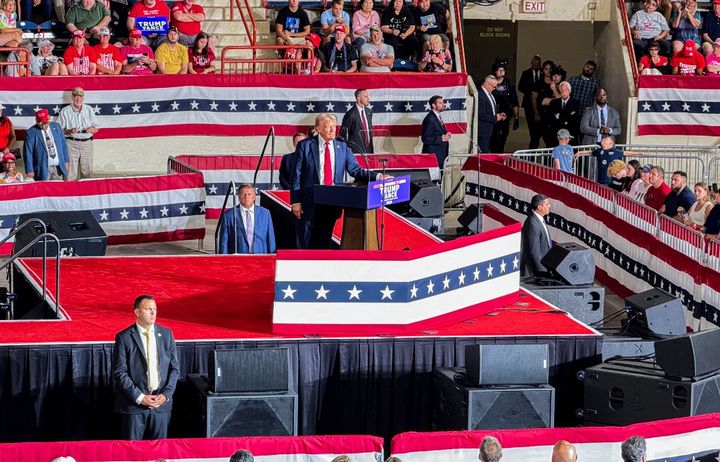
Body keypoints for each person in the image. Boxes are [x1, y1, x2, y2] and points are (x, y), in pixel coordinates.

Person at [291, 113, 382, 249]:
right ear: (318, 129)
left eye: (334, 126)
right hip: (309, 200)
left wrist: (378, 177)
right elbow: (296, 174)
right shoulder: (305, 145)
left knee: (324, 239)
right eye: (329, 127)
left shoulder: (342, 147)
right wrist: (296, 201)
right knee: (306, 239)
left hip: (331, 201)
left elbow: (355, 170)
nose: (333, 130)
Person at [112, 294, 179, 440]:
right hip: (134, 407)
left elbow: (174, 369)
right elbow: (120, 373)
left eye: (155, 309)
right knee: (132, 453)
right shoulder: (124, 337)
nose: (153, 313)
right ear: (137, 312)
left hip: (161, 406)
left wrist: (166, 395)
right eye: (149, 309)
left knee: (159, 452)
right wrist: (140, 397)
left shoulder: (167, 334)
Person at [218, 185, 276, 254]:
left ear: (254, 197)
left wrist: (272, 258)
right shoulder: (228, 215)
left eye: (249, 194)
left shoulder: (265, 213)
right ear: (239, 197)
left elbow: (271, 239)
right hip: (238, 260)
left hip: (260, 258)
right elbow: (224, 243)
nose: (246, 197)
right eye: (243, 194)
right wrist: (224, 261)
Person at [58, 87, 99, 181]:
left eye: (80, 96)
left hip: (87, 143)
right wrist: (69, 131)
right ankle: (70, 193)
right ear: (72, 97)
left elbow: (97, 128)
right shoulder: (65, 111)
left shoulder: (89, 109)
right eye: (76, 96)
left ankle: (87, 193)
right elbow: (59, 131)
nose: (78, 99)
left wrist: (90, 129)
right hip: (71, 143)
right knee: (70, 173)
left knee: (87, 171)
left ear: (83, 97)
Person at [23, 109, 70, 181]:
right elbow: (28, 152)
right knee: (43, 190)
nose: (43, 126)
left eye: (45, 123)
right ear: (36, 121)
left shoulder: (57, 127)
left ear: (49, 119)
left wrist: (66, 161)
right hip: (42, 167)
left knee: (58, 189)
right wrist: (29, 170)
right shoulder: (31, 133)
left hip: (58, 166)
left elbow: (63, 145)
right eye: (40, 124)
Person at [489, 60, 519, 153]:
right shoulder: (490, 82)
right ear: (495, 71)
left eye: (503, 70)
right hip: (493, 114)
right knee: (493, 137)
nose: (501, 72)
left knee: (503, 136)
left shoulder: (509, 85)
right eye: (499, 70)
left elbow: (515, 102)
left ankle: (499, 152)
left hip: (506, 115)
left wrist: (516, 118)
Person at [521, 194, 552, 279]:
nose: (549, 206)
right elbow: (535, 251)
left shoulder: (540, 219)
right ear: (539, 207)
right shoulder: (533, 223)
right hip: (535, 273)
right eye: (547, 204)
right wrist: (543, 271)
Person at [518, 55, 544, 149]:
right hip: (528, 103)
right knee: (531, 126)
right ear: (531, 63)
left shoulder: (544, 73)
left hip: (541, 104)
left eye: (538, 63)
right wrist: (532, 92)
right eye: (534, 62)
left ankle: (534, 142)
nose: (536, 64)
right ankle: (533, 142)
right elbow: (520, 87)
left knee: (540, 126)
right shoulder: (526, 73)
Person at [545, 81, 581, 146]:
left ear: (570, 91)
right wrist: (567, 116)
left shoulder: (576, 103)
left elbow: (574, 120)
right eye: (561, 90)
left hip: (570, 134)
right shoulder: (554, 102)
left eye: (566, 90)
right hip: (556, 135)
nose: (563, 92)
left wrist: (559, 116)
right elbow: (551, 119)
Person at [477, 75, 506, 153]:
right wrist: (495, 118)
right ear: (486, 84)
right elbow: (481, 114)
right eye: (493, 86)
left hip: (490, 128)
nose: (494, 89)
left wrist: (498, 114)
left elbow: (491, 109)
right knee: (483, 151)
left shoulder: (489, 94)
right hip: (483, 130)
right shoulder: (481, 95)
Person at [530, 59, 555, 148]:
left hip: (551, 116)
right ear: (543, 70)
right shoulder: (538, 82)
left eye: (550, 69)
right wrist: (536, 113)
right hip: (540, 114)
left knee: (550, 141)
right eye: (546, 69)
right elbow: (533, 98)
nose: (548, 71)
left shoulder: (556, 83)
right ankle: (529, 161)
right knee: (534, 140)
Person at [421, 95, 451, 167]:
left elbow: (437, 133)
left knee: (440, 177)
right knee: (435, 178)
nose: (443, 105)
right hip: (433, 157)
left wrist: (446, 135)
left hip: (440, 156)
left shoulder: (437, 116)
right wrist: (441, 138)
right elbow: (425, 138)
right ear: (434, 105)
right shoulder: (430, 119)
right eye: (440, 103)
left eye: (443, 103)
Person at [341, 89, 373, 154]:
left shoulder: (369, 112)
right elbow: (343, 136)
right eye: (365, 96)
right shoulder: (350, 114)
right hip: (356, 151)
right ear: (358, 98)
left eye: (368, 96)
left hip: (369, 150)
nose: (368, 98)